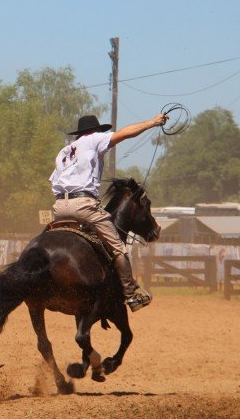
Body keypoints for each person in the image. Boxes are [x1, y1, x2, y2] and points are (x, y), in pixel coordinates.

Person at [48, 114, 167, 312]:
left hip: (59, 207)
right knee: (118, 248)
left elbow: (54, 180)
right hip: (83, 204)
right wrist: (153, 122)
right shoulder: (94, 139)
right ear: (95, 131)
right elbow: (125, 134)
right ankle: (131, 294)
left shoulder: (64, 151)